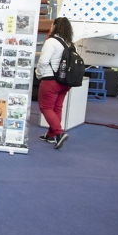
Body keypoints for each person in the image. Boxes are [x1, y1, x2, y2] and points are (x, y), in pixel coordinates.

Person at [35, 17, 74, 149]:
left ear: (55, 26)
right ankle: (51, 135)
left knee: (45, 107)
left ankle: (59, 133)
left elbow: (43, 61)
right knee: (57, 108)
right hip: (65, 82)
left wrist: (38, 74)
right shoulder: (70, 44)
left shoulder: (51, 42)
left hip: (50, 80)